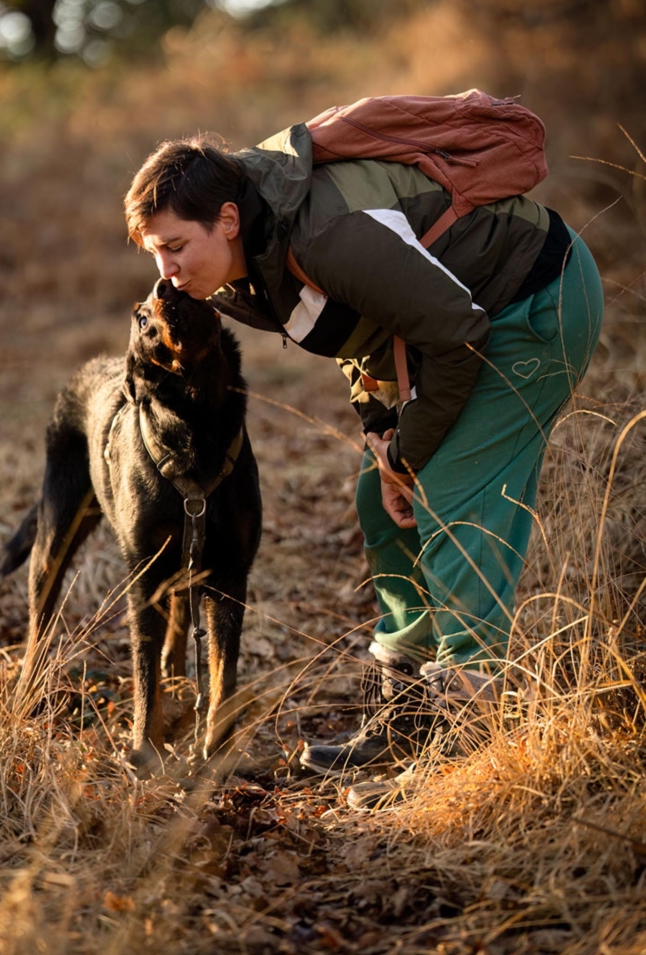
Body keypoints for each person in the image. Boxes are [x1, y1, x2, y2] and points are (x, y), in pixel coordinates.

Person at [123, 118, 604, 804]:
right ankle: (404, 719)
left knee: (451, 504)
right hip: (452, 333)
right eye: (154, 253)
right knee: (379, 504)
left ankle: (462, 761)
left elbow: (456, 330)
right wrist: (381, 434)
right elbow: (357, 328)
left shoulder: (323, 232)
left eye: (174, 247)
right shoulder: (236, 269)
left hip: (532, 303)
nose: (163, 274)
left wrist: (409, 456)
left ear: (226, 218)